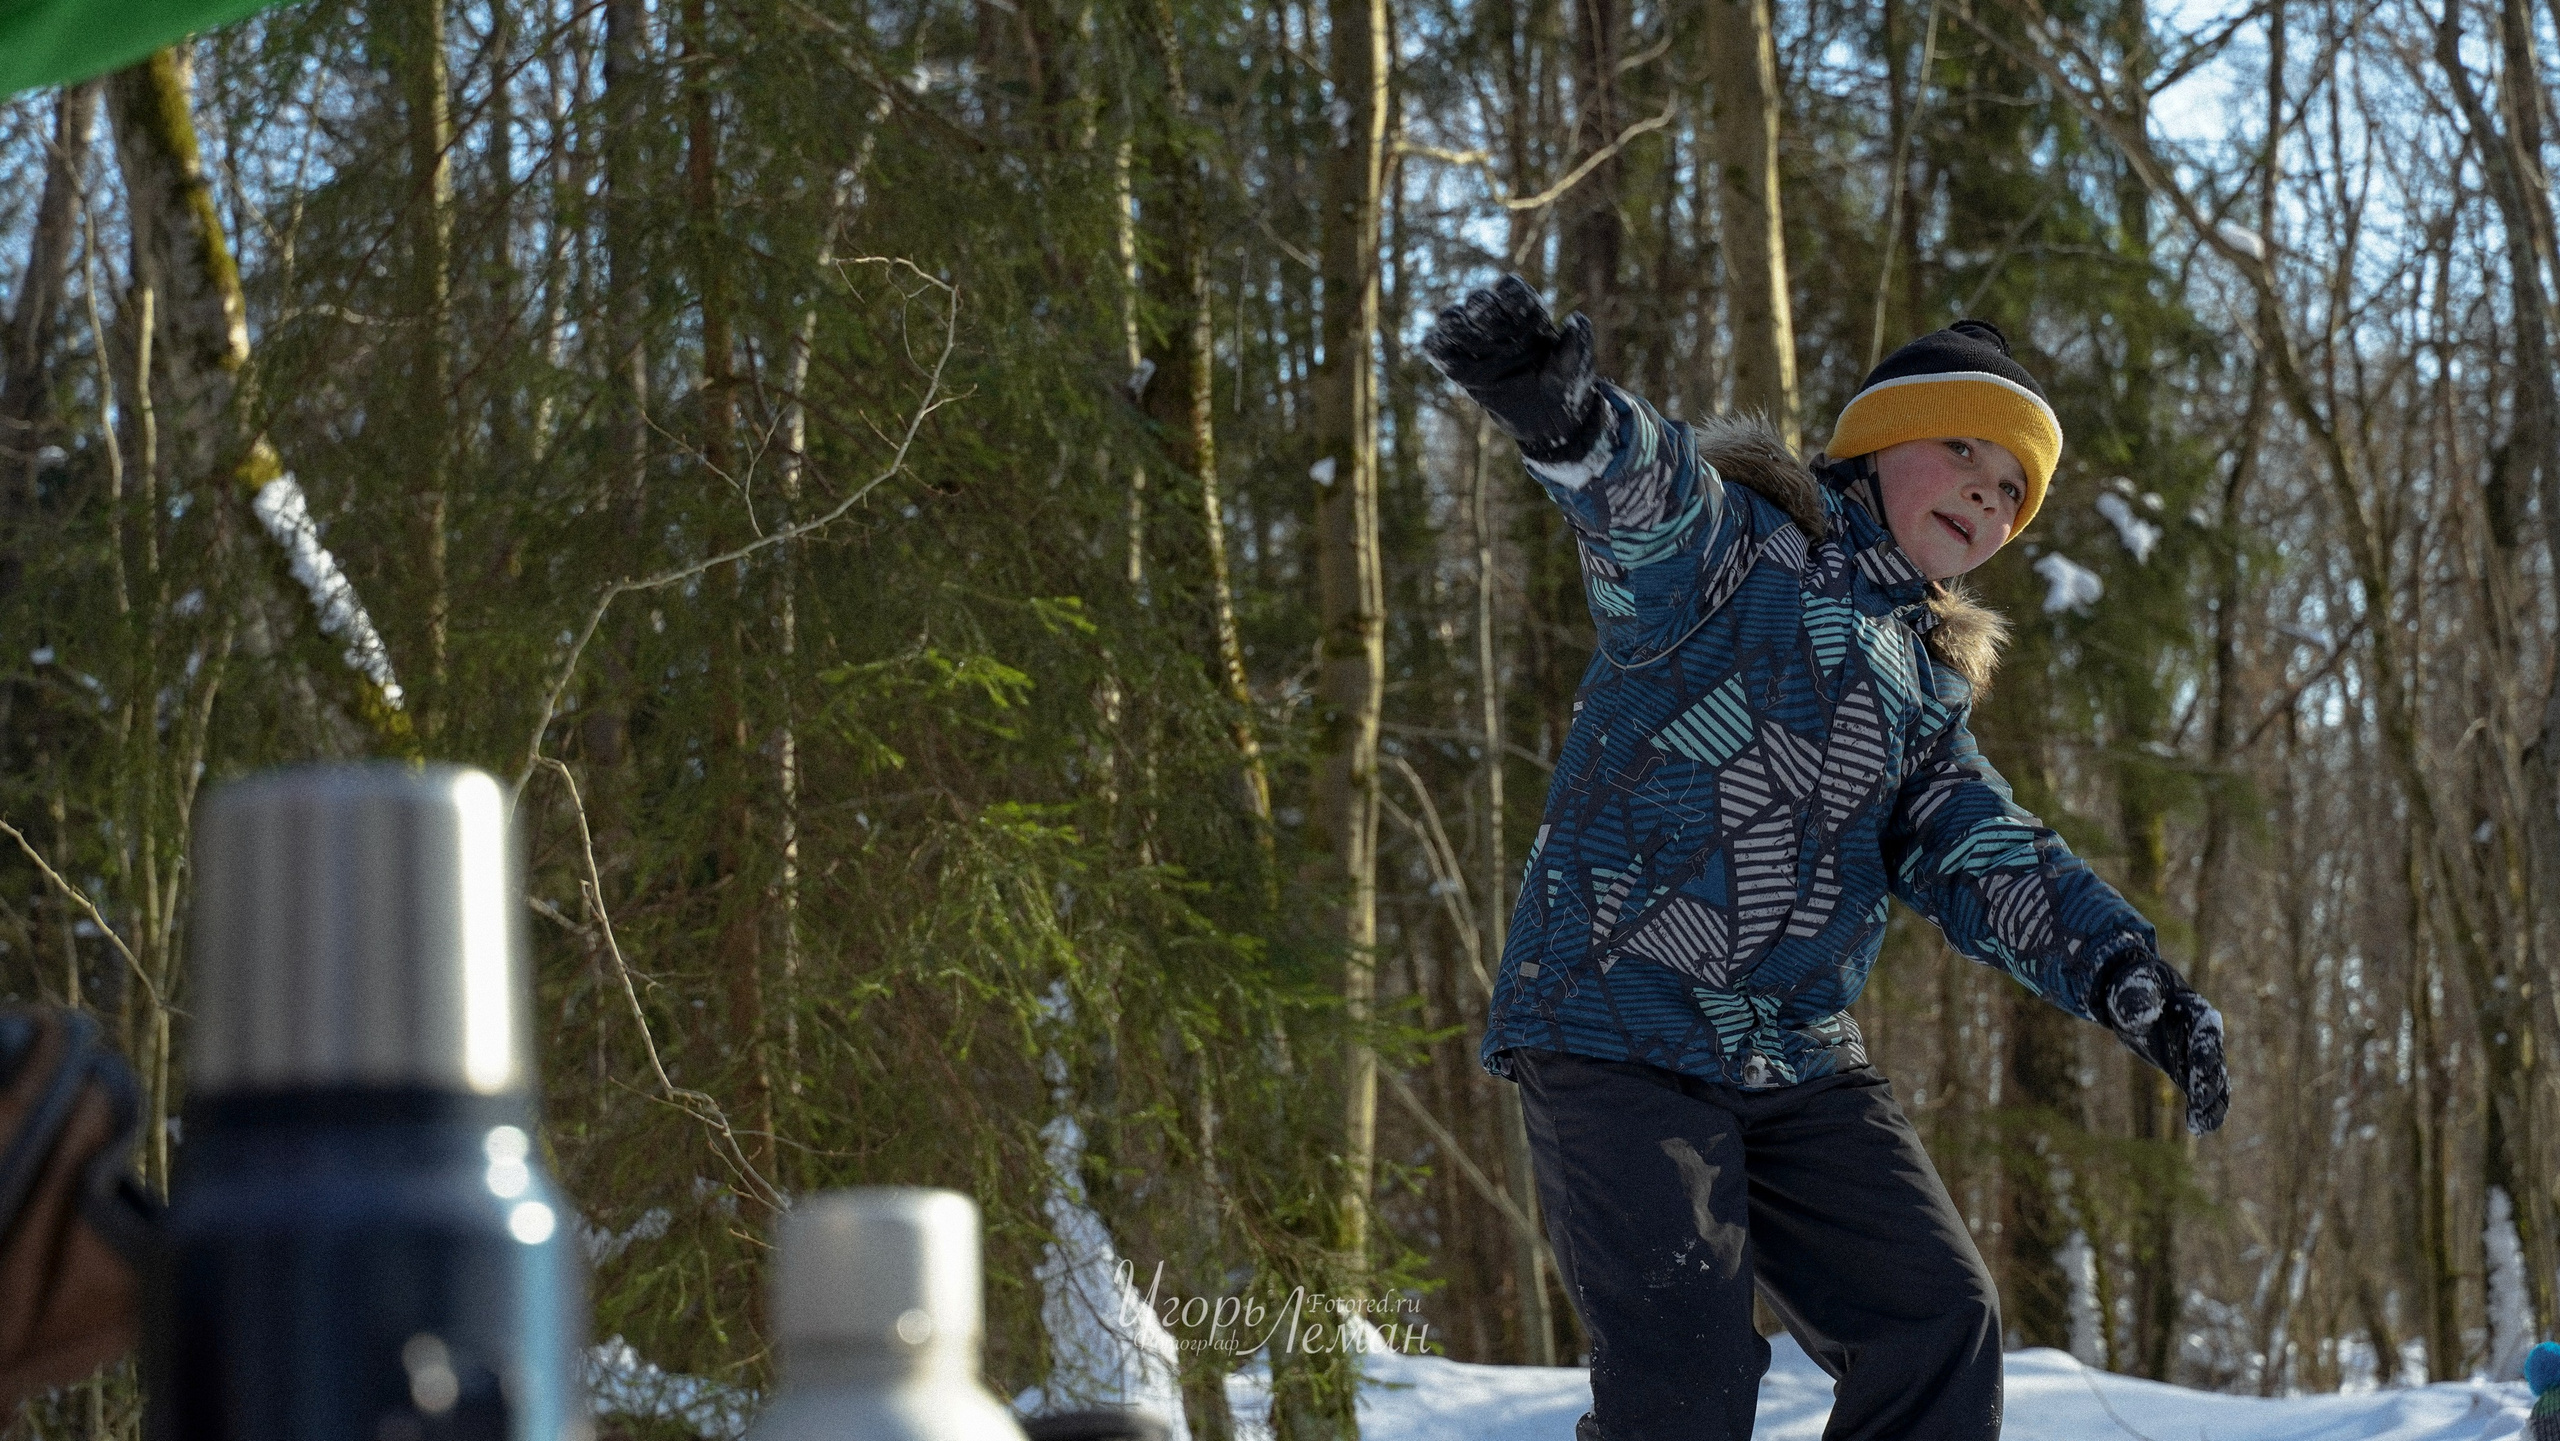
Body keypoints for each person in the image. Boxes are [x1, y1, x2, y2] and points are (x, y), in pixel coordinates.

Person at [1420, 276, 2230, 1441]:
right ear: (1879, 445)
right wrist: (1572, 421)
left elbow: (1986, 851)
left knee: (1937, 1322)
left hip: (1793, 1055)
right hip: (1617, 1021)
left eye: (2012, 490)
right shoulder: (1735, 553)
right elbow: (1646, 501)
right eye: (1963, 452)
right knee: (1687, 1379)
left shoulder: (1922, 686)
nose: (1988, 496)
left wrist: (2127, 975)